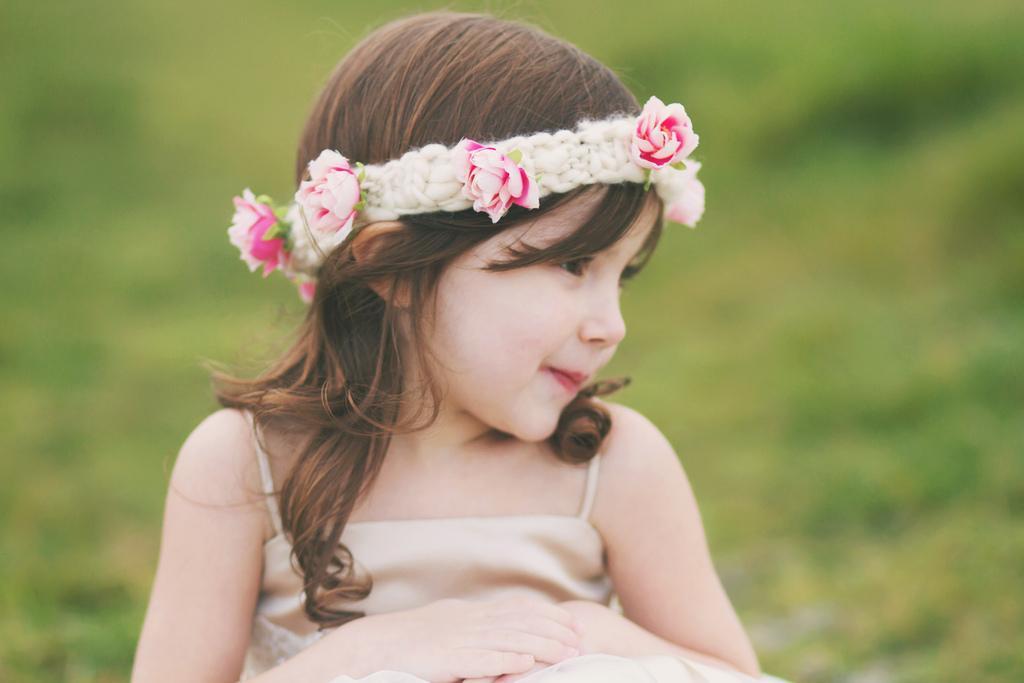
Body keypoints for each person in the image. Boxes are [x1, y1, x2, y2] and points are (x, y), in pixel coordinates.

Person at [130, 10, 793, 683]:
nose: (611, 324)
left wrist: (597, 638)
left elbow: (730, 675)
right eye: (571, 264)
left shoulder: (616, 465)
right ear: (394, 270)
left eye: (622, 276)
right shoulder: (245, 467)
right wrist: (364, 654)